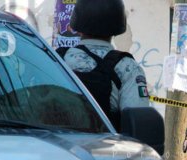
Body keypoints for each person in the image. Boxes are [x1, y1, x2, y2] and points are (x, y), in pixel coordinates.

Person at [61, 0, 150, 131]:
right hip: (105, 150)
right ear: (118, 27)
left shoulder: (58, 59)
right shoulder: (127, 67)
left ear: (77, 26)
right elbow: (138, 125)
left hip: (54, 147)